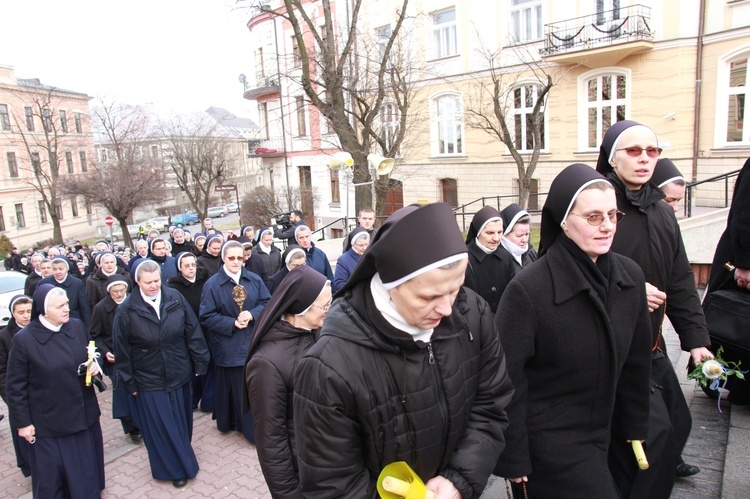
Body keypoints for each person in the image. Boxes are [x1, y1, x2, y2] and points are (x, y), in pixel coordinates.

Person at [293, 202, 514, 497]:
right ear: (390, 285)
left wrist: (458, 480)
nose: (448, 309)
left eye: (455, 288)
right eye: (430, 296)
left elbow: (492, 404)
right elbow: (332, 486)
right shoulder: (328, 368)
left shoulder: (474, 312)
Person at [494, 163, 652, 498]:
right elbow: (507, 380)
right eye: (594, 217)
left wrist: (636, 423)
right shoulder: (528, 290)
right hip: (553, 444)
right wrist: (514, 456)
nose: (607, 226)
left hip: (613, 434)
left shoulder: (630, 277)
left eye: (613, 215)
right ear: (564, 221)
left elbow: (637, 361)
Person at [596, 120, 712, 496]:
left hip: (651, 344)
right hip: (607, 349)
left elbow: (679, 278)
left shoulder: (662, 212)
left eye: (652, 151)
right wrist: (626, 291)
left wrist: (695, 339)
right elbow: (567, 271)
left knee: (677, 424)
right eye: (634, 151)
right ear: (613, 158)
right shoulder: (597, 207)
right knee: (648, 438)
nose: (645, 159)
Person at [113, 260, 210, 488]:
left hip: (178, 370)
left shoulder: (175, 298)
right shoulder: (126, 310)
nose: (154, 286)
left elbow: (192, 330)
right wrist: (130, 382)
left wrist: (200, 362)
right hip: (149, 377)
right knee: (162, 426)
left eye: (157, 280)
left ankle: (182, 456)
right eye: (148, 283)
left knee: (182, 422)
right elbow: (122, 350)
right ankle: (174, 469)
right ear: (137, 282)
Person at [6, 284, 105, 497]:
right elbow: (15, 386)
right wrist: (23, 423)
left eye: (67, 303)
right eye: (60, 306)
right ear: (44, 310)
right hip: (50, 424)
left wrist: (95, 365)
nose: (67, 309)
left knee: (86, 477)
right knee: (53, 482)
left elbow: (88, 355)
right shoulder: (24, 340)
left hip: (83, 416)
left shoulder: (77, 326)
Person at [244, 266, 331, 498]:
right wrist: (287, 493)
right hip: (301, 469)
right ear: (302, 307)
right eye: (324, 305)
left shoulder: (316, 332)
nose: (328, 310)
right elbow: (271, 440)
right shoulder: (266, 363)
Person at [199, 241, 270, 442]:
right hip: (229, 345)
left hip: (253, 342)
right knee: (239, 392)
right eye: (231, 258)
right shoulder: (212, 285)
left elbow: (267, 302)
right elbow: (206, 315)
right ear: (223, 258)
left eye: (240, 257)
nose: (236, 262)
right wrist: (231, 323)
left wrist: (252, 313)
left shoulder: (254, 279)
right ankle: (249, 431)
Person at [703, 157, 750, 403]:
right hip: (740, 260)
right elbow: (745, 212)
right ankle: (714, 378)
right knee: (729, 324)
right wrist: (745, 262)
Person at [89, 274, 142, 443]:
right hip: (115, 357)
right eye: (115, 291)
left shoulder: (135, 302)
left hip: (137, 353)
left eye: (122, 291)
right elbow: (95, 335)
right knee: (124, 393)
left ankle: (144, 421)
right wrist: (105, 351)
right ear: (108, 292)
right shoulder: (100, 308)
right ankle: (132, 428)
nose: (119, 294)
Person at [167, 252, 215, 413]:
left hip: (208, 329)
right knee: (194, 367)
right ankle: (193, 400)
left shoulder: (205, 280)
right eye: (186, 266)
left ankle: (209, 401)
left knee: (209, 364)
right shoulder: (174, 288)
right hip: (189, 333)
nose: (191, 269)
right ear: (179, 268)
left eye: (193, 265)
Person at [0, 294, 32, 477]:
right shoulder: (4, 337)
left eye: (29, 311)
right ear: (13, 314)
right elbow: (2, 372)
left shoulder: (39, 328)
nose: (26, 316)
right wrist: (10, 397)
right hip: (18, 395)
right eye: (21, 312)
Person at [463, 205, 515, 314]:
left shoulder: (506, 256)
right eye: (490, 233)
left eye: (500, 232)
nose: (496, 238)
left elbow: (512, 291)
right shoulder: (463, 259)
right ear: (478, 232)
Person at [39, 256, 91, 327]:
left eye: (61, 269)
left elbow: (84, 308)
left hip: (73, 322)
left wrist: (87, 328)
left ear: (67, 269)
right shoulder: (43, 283)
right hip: (52, 323)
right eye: (54, 269)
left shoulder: (77, 283)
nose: (58, 272)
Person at [500, 203, 538, 274]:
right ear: (505, 234)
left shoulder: (531, 253)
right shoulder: (497, 261)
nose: (525, 240)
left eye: (527, 234)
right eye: (519, 236)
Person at [333, 228, 369, 293]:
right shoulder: (343, 260)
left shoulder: (371, 255)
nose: (364, 248)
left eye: (366, 244)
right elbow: (339, 284)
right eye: (360, 245)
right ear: (353, 244)